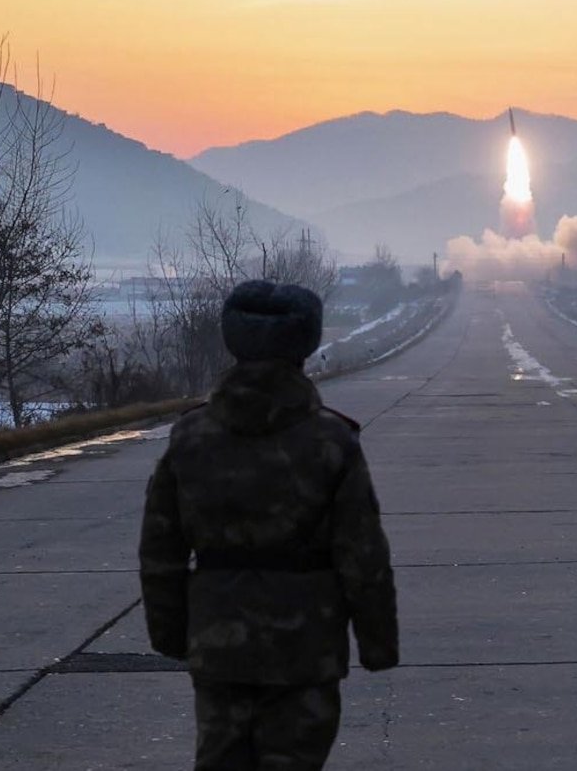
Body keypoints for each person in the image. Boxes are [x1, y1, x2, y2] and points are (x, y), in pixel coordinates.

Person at [139, 280, 399, 771]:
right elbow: (363, 554)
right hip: (306, 646)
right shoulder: (331, 441)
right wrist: (377, 642)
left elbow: (160, 550)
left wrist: (172, 634)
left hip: (219, 642)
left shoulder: (191, 437)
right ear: (306, 343)